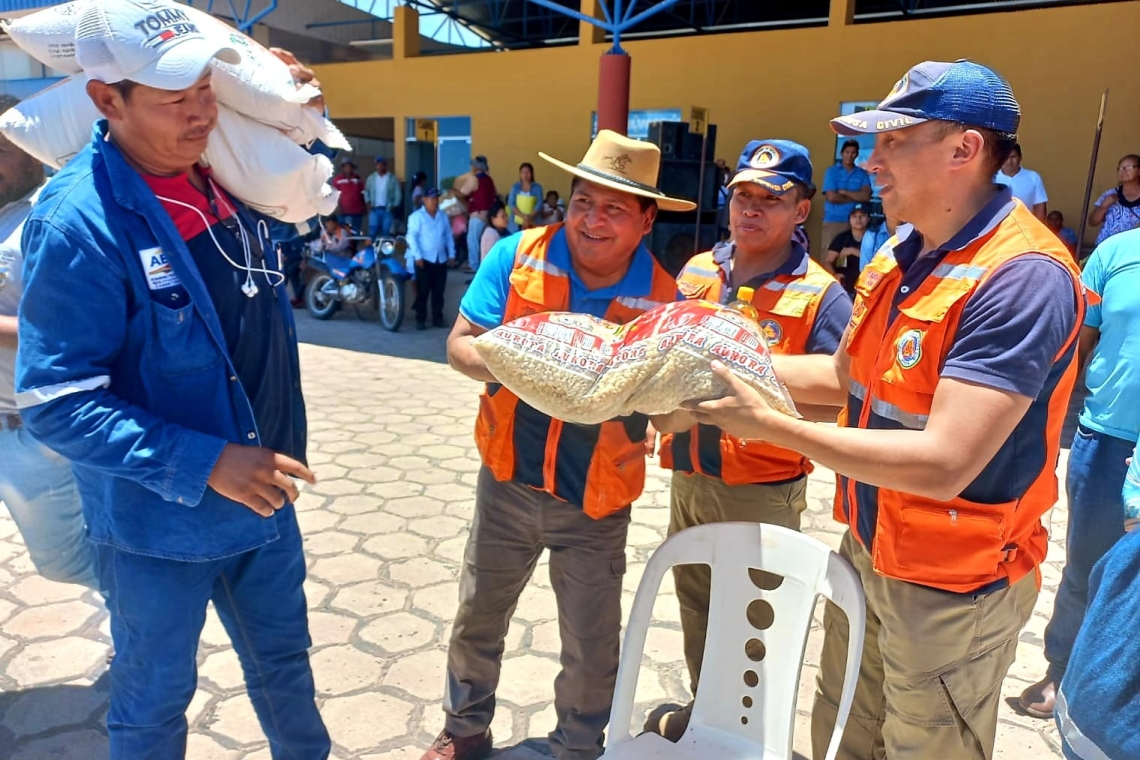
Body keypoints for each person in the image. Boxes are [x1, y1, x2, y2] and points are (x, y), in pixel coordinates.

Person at [682, 60, 1085, 760]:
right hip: (870, 551)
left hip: (952, 587)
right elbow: (843, 377)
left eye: (894, 141)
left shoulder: (1022, 277)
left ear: (964, 149)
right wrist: (707, 363)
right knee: (842, 733)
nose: (871, 161)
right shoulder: (900, 254)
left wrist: (772, 427)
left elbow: (944, 463)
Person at [14, 2, 330, 757]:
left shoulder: (230, 173)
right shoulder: (79, 224)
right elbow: (56, 402)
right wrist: (207, 462)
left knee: (286, 671)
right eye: (173, 99)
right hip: (159, 529)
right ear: (106, 99)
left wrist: (299, 109)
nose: (200, 114)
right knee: (153, 704)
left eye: (206, 92)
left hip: (266, 499)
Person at [423, 129, 693, 760]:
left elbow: (673, 415)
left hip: (596, 502)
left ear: (647, 220)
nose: (591, 220)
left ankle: (577, 746)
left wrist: (674, 405)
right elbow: (460, 346)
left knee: (591, 641)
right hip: (506, 482)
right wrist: (527, 362)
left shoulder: (665, 301)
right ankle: (464, 730)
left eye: (613, 208)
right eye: (582, 202)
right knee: (478, 615)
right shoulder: (516, 256)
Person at [645, 139, 852, 741]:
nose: (751, 210)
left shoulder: (821, 293)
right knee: (696, 604)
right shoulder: (697, 271)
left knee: (753, 618)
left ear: (801, 210)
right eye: (742, 197)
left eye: (770, 199)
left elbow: (839, 392)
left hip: (760, 488)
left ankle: (748, 732)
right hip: (690, 476)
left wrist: (752, 387)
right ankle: (706, 715)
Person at [1016, 226, 1140, 720]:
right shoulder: (1116, 252)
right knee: (1087, 566)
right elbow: (1077, 348)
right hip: (1108, 439)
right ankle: (1064, 672)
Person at [0, 96, 100, 594]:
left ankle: (147, 618)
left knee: (65, 560)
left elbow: (75, 332)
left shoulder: (56, 213)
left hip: (35, 429)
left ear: (32, 147)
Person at [407, 188, 456, 330]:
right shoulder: (416, 217)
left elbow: (448, 235)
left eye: (436, 198)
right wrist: (417, 256)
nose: (434, 201)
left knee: (439, 291)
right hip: (424, 259)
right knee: (423, 291)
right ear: (424, 199)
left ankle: (437, 318)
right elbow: (412, 237)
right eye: (431, 198)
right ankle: (420, 319)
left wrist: (452, 254)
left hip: (441, 259)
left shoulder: (442, 216)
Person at [821, 138, 872, 256]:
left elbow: (866, 196)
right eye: (847, 152)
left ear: (857, 154)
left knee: (856, 257)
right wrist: (857, 196)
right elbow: (831, 197)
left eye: (853, 152)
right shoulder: (831, 172)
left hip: (857, 221)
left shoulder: (862, 173)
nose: (850, 155)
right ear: (841, 153)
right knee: (828, 256)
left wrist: (844, 192)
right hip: (834, 220)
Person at [1087, 154, 1140, 247]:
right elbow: (1092, 222)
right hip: (1106, 248)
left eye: (1128, 167)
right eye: (1120, 168)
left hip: (1133, 249)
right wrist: (1104, 207)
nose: (1123, 170)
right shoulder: (1110, 194)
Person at [824, 202, 870, 295]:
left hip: (866, 284)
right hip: (844, 286)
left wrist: (853, 251)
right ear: (849, 219)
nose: (858, 219)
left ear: (868, 218)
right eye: (854, 216)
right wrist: (834, 275)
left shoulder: (873, 237)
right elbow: (827, 262)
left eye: (862, 216)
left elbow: (875, 260)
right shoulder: (842, 238)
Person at [994, 142, 1048, 220]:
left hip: (1026, 224)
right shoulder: (992, 178)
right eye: (1005, 157)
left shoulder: (1033, 177)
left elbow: (1040, 206)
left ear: (1020, 157)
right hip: (999, 225)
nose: (1009, 161)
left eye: (1013, 157)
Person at [464, 155, 497, 272]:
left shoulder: (474, 179)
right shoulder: (490, 180)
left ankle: (474, 265)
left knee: (472, 241)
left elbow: (463, 193)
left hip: (477, 216)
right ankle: (482, 266)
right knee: (483, 242)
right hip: (488, 216)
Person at [365, 156, 400, 238]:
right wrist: (368, 202)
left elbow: (397, 192)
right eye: (378, 164)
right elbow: (366, 191)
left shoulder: (392, 178)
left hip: (387, 209)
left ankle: (384, 246)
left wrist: (395, 205)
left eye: (382, 164)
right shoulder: (371, 178)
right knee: (372, 231)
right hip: (374, 209)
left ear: (385, 165)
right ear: (375, 166)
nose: (380, 166)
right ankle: (372, 246)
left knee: (386, 231)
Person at [507, 162, 544, 233]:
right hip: (516, 222)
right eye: (523, 172)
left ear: (532, 174)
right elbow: (511, 203)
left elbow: (539, 203)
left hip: (533, 221)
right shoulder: (515, 187)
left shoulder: (537, 187)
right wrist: (524, 217)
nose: (525, 175)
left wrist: (529, 217)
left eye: (528, 172)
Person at [333, 158, 366, 232]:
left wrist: (364, 206)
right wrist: (337, 207)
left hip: (357, 212)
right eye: (346, 166)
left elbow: (362, 193)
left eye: (349, 166)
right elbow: (334, 195)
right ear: (343, 168)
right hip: (343, 212)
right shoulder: (338, 179)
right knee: (344, 232)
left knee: (356, 232)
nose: (348, 169)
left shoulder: (358, 179)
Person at [479, 200, 509, 265]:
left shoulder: (504, 232)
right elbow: (494, 259)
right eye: (503, 217)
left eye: (506, 216)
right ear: (493, 219)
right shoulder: (491, 234)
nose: (506, 219)